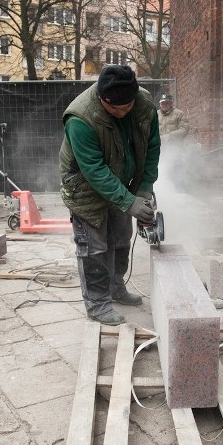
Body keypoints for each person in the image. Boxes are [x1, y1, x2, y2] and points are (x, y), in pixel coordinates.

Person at [59, 65, 161, 326]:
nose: (123, 112)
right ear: (103, 98)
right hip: (84, 186)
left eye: (128, 105)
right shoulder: (80, 118)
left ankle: (116, 287)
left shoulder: (144, 104)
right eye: (116, 108)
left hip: (120, 181)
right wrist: (128, 202)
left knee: (120, 239)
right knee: (94, 247)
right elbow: (93, 170)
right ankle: (98, 304)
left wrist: (144, 188)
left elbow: (152, 147)